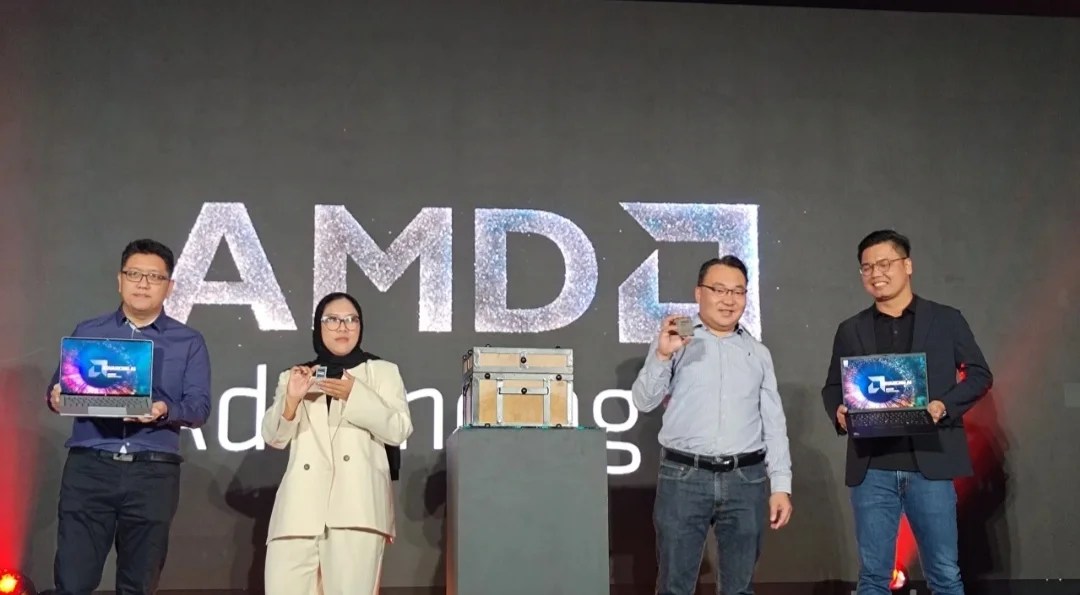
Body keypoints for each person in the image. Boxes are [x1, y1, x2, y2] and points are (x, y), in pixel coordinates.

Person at [821, 230, 993, 595]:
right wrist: (838, 411)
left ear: (908, 265)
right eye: (867, 267)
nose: (876, 273)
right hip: (872, 467)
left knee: (945, 574)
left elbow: (980, 375)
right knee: (872, 578)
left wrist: (944, 405)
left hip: (931, 464)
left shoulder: (946, 320)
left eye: (885, 263)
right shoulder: (850, 329)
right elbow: (833, 387)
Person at [45, 239, 212, 595]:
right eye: (134, 274)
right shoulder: (88, 331)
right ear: (119, 280)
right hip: (90, 467)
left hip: (153, 474)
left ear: (169, 286)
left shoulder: (188, 341)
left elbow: (198, 408)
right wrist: (56, 396)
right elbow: (57, 389)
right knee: (72, 582)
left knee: (139, 585)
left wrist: (164, 410)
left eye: (154, 277)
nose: (143, 283)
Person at [632, 255, 793, 595]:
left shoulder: (758, 352)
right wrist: (662, 356)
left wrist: (781, 485)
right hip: (684, 476)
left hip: (745, 479)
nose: (729, 300)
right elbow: (644, 401)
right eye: (719, 290)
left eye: (738, 291)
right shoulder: (678, 338)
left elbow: (774, 423)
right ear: (699, 293)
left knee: (740, 588)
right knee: (674, 586)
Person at [261, 292, 413, 595]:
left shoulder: (382, 371)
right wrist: (291, 399)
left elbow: (398, 429)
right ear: (318, 326)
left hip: (357, 509)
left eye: (351, 320)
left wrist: (355, 395)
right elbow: (274, 437)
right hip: (298, 511)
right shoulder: (297, 375)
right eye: (332, 319)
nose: (343, 327)